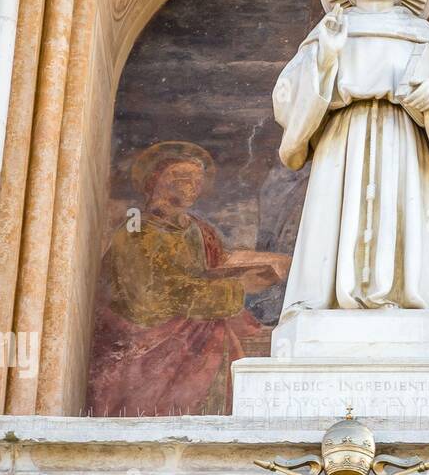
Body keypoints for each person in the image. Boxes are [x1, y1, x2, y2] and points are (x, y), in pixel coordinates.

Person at [273, 0, 429, 346]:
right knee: (334, 211)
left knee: (400, 212)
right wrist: (327, 58)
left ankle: (401, 296)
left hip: (401, 140)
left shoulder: (421, 34)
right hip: (341, 140)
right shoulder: (329, 31)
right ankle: (324, 299)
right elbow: (287, 97)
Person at [88, 141, 289, 415]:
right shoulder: (136, 232)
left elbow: (222, 259)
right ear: (155, 181)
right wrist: (237, 288)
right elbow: (152, 298)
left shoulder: (199, 229)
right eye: (182, 178)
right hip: (149, 347)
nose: (192, 186)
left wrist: (275, 261)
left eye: (197, 180)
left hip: (198, 340)